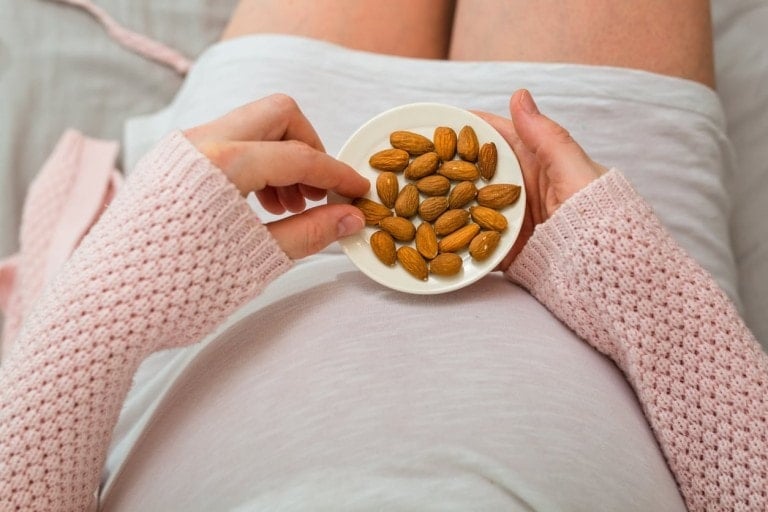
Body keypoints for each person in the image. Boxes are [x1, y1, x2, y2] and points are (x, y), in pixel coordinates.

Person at [1, 1, 766, 511]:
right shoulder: (616, 261)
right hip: (593, 207)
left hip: (255, 201)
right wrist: (633, 285)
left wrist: (111, 303)